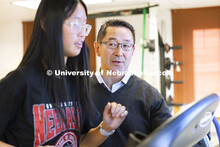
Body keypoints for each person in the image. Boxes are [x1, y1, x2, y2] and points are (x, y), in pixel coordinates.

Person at [0, 1, 128, 147]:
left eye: (84, 26)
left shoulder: (75, 82)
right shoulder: (19, 81)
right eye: (75, 24)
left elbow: (80, 141)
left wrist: (106, 128)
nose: (82, 34)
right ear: (46, 24)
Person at [90, 19, 172, 147]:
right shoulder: (79, 91)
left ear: (132, 51)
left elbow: (170, 137)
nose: (119, 52)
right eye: (112, 44)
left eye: (126, 46)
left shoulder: (150, 95)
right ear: (97, 48)